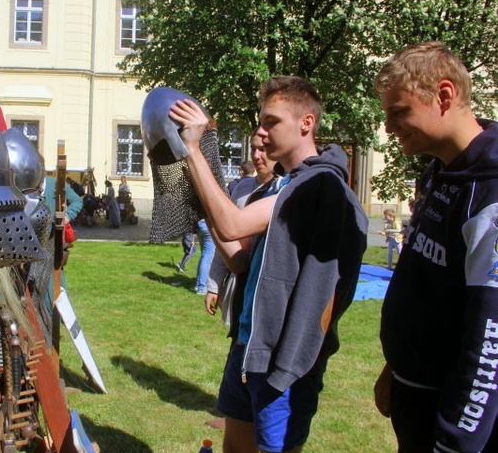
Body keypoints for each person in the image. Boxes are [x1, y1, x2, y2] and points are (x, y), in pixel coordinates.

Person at [170, 75, 367, 453]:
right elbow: (239, 259)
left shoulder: (317, 185)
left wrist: (194, 150)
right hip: (248, 346)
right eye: (260, 121)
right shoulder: (282, 184)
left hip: (283, 361)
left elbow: (231, 223)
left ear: (306, 123)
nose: (261, 132)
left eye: (271, 121)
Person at [373, 42, 498, 452]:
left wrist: (454, 442)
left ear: (444, 96)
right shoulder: (439, 172)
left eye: (399, 112)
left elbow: (488, 343)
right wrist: (397, 367)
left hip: (450, 413)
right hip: (414, 394)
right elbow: (424, 282)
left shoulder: (489, 197)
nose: (389, 127)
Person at [205, 129, 277, 324]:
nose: (256, 155)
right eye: (253, 149)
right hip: (240, 281)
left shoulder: (284, 190)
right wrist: (214, 284)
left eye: (263, 149)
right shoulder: (241, 189)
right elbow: (226, 240)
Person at [194, 219, 215, 295]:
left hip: (199, 224)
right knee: (207, 256)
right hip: (208, 225)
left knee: (204, 255)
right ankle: (202, 287)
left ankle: (198, 284)